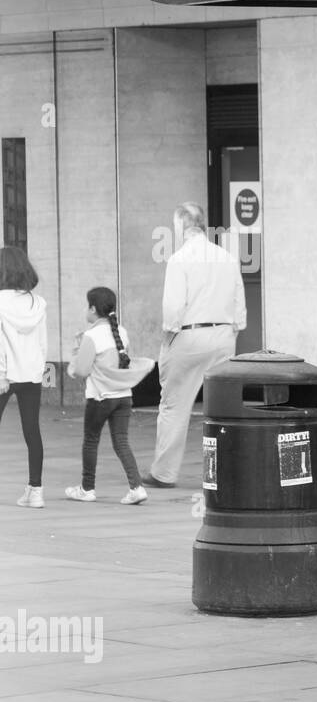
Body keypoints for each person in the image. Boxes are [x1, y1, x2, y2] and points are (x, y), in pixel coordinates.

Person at [142, 202, 246, 488]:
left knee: (174, 406)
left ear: (180, 226)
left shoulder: (179, 259)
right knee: (223, 408)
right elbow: (239, 300)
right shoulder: (226, 257)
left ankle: (164, 473)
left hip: (189, 335)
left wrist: (168, 336)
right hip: (224, 335)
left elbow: (173, 307)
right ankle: (227, 473)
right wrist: (233, 331)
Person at [65, 287, 155, 505]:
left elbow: (81, 371)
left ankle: (87, 488)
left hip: (100, 397)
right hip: (124, 396)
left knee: (91, 441)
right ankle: (136, 487)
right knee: (122, 442)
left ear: (93, 309)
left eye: (87, 306)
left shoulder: (92, 336)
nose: (86, 310)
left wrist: (76, 352)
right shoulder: (121, 332)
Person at [0, 246, 49, 509]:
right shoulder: (37, 303)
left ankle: (33, 491)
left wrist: (2, 375)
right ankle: (36, 490)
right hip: (31, 374)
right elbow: (43, 343)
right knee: (32, 432)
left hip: (5, 375)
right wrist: (38, 369)